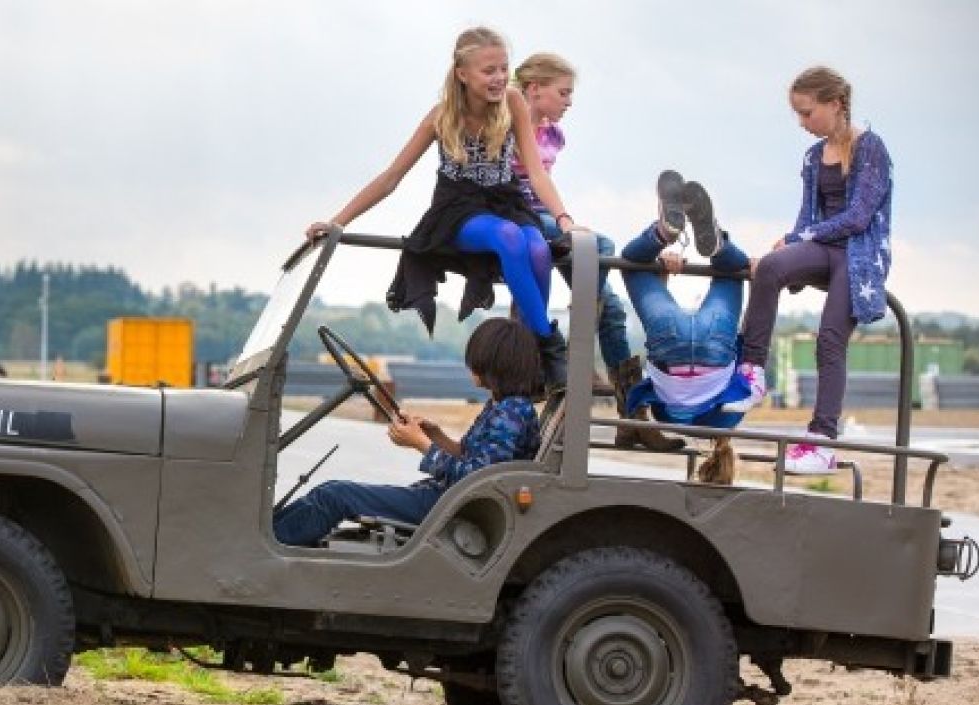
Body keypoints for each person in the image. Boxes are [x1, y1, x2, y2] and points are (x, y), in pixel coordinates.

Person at [306, 26, 584, 391]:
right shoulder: (441, 117)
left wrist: (565, 219)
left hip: (506, 201)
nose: (500, 78)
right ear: (462, 74)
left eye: (504, 68)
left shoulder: (514, 102)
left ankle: (529, 353)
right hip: (460, 210)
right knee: (510, 239)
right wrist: (337, 221)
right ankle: (551, 348)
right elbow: (391, 177)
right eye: (489, 71)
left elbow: (535, 173)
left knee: (537, 247)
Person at [511, 53, 678, 451]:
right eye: (564, 92)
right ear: (535, 90)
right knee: (600, 247)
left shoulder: (553, 134)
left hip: (546, 215)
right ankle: (577, 357)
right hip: (515, 215)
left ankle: (633, 417)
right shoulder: (507, 122)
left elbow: (544, 184)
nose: (570, 102)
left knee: (613, 307)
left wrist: (563, 220)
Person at [733, 66, 893, 475]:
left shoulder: (871, 149)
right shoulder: (812, 156)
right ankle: (751, 373)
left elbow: (858, 218)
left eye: (807, 113)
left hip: (859, 257)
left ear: (835, 104)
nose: (803, 123)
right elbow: (807, 215)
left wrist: (802, 234)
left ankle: (822, 441)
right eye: (798, 115)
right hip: (822, 248)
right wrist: (791, 240)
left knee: (829, 340)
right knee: (769, 268)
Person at [274, 318, 542, 546]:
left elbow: (475, 480)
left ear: (493, 364)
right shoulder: (501, 405)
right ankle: (273, 533)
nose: (470, 368)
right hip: (446, 498)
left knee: (335, 496)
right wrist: (435, 435)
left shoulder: (511, 413)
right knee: (330, 489)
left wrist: (422, 445)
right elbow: (469, 457)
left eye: (475, 362)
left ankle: (271, 544)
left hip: (447, 504)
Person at [615, 174, 757, 482]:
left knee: (732, 270)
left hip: (717, 345)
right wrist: (660, 269)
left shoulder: (731, 416)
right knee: (632, 263)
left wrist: (755, 277)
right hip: (670, 345)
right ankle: (662, 235)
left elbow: (747, 350)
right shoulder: (667, 418)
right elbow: (655, 382)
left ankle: (717, 244)